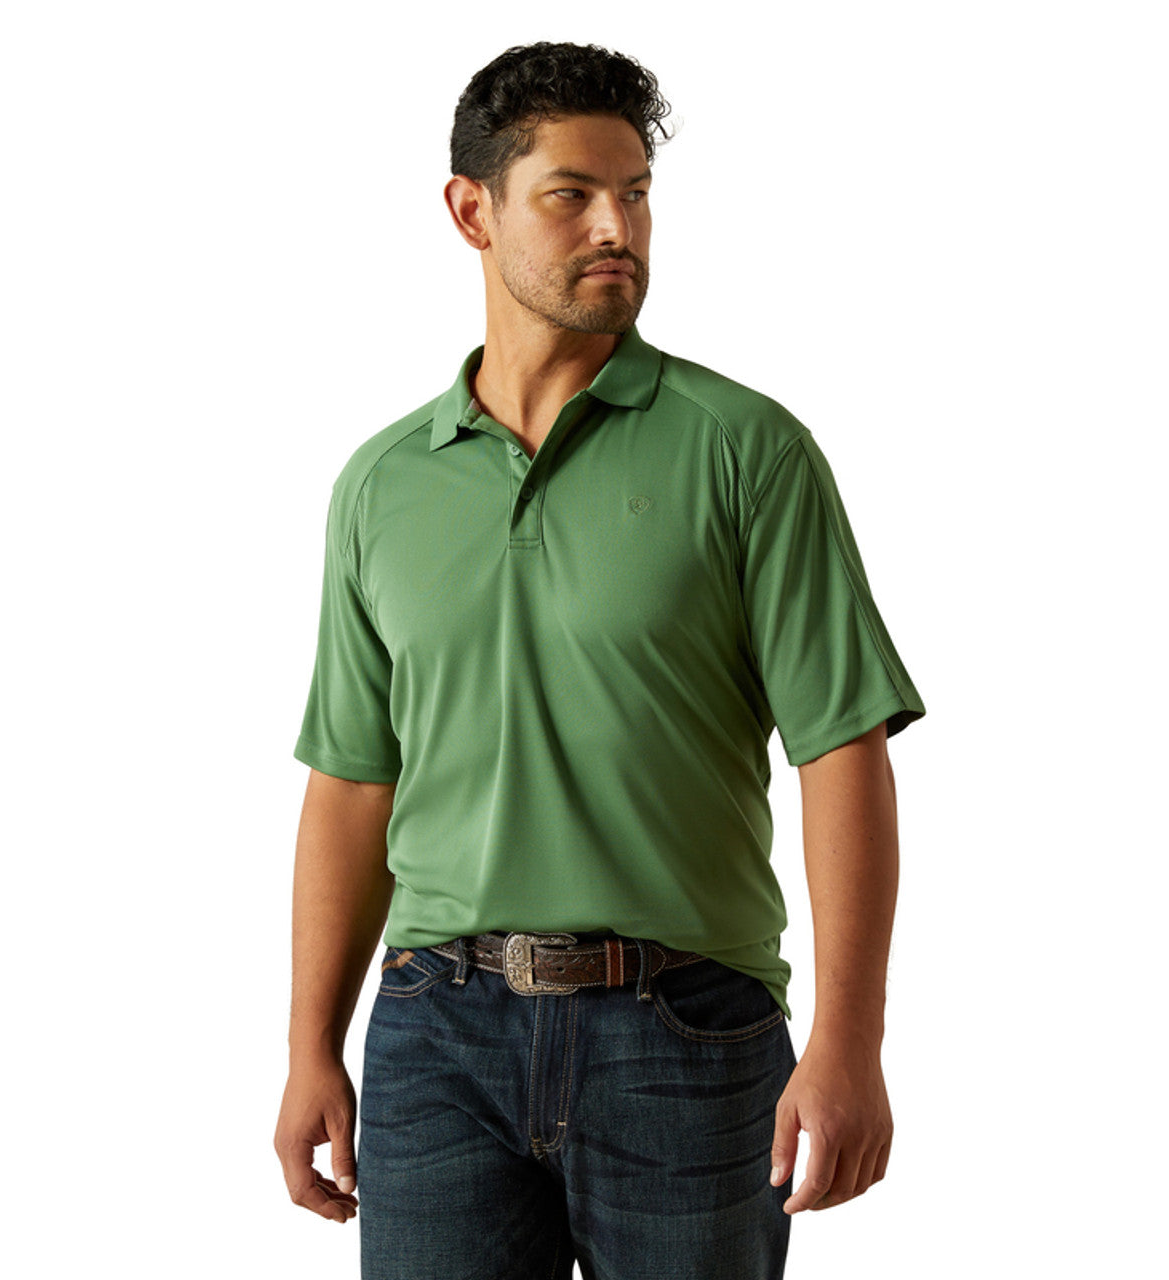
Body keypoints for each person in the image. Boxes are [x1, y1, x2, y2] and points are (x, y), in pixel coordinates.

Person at [274, 41, 925, 1280]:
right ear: (471, 211)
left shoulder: (745, 451)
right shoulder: (380, 485)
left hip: (683, 1032)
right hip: (432, 1036)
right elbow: (352, 779)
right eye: (569, 194)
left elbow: (839, 748)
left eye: (634, 193)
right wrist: (311, 1043)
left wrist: (849, 1039)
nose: (615, 226)